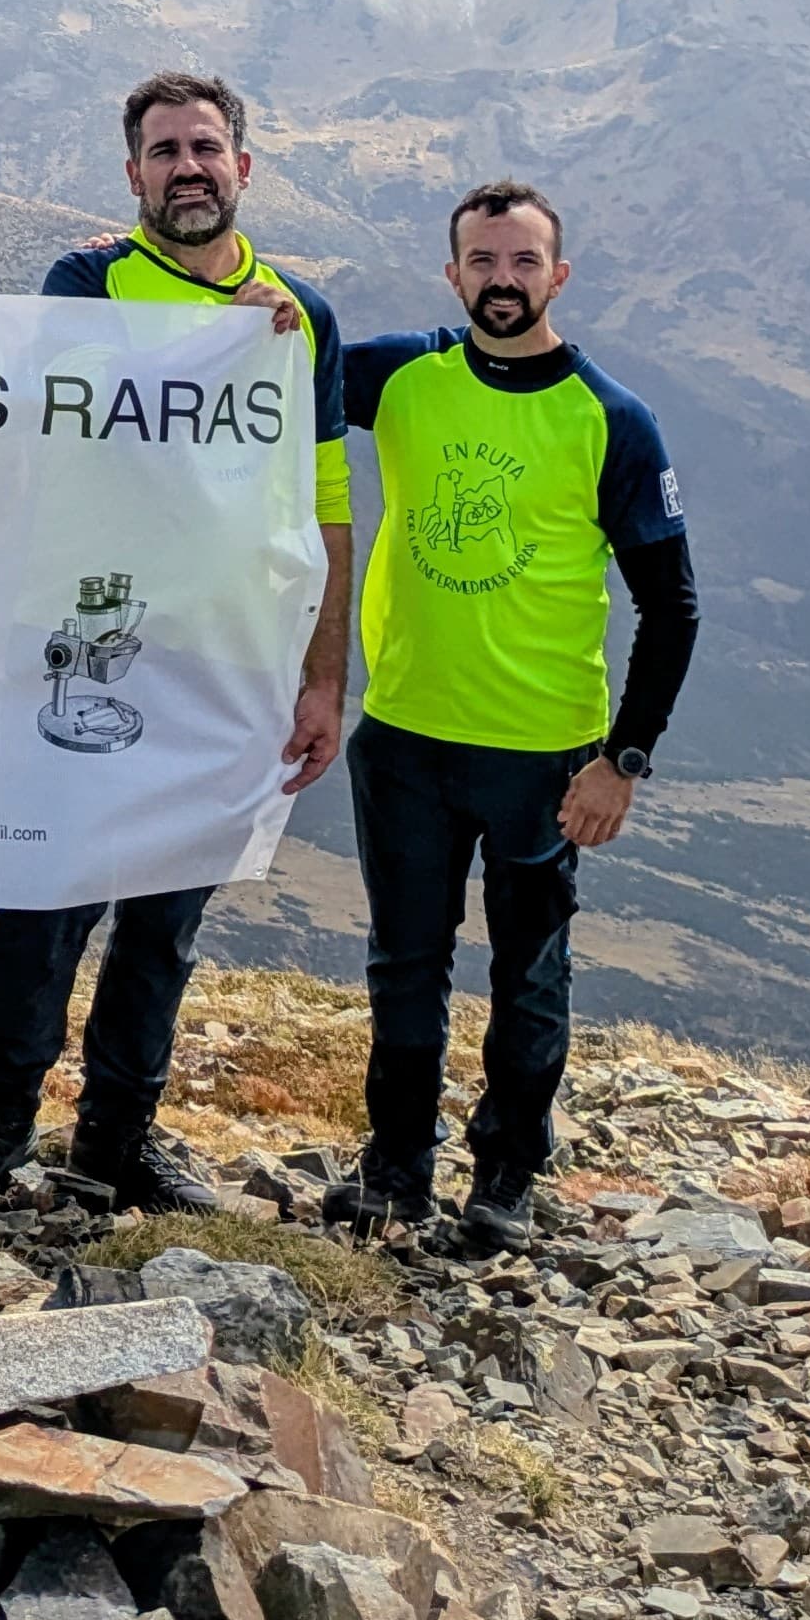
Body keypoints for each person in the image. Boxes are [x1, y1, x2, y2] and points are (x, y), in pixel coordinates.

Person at [0, 70, 353, 1214]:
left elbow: (325, 506)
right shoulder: (85, 281)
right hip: (81, 631)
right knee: (45, 894)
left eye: (205, 147)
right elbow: (79, 412)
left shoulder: (302, 316)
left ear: (244, 166)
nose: (187, 167)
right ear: (133, 176)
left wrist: (323, 675)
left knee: (166, 916)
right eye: (164, 152)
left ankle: (118, 1133)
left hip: (226, 659)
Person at [329, 181, 695, 1253]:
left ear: (557, 276)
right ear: (452, 274)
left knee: (527, 969)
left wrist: (621, 760)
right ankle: (394, 1168)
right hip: (402, 734)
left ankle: (504, 1176)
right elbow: (266, 368)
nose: (501, 280)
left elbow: (670, 606)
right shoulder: (400, 375)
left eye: (522, 263)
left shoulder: (612, 420)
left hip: (544, 753)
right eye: (481, 262)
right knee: (404, 960)